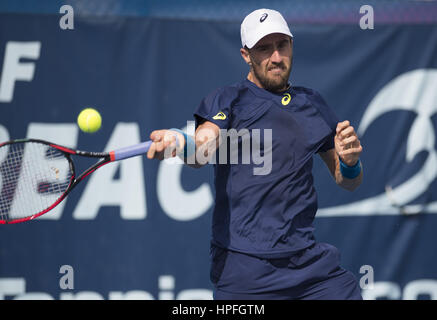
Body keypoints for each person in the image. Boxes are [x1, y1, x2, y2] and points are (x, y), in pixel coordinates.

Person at [147, 8, 364, 300]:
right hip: (245, 270)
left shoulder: (312, 103)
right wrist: (179, 143)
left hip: (309, 266)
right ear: (246, 55)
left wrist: (350, 163)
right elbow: (202, 149)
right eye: (264, 49)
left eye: (282, 45)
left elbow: (347, 180)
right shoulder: (228, 100)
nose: (276, 57)